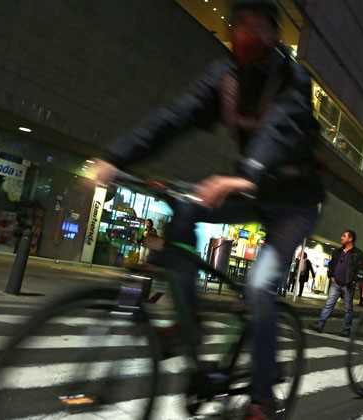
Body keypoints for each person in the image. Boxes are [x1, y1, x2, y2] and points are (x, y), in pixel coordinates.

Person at [92, 1, 323, 417]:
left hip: (295, 204)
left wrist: (247, 173)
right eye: (239, 25)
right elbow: (174, 117)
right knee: (184, 212)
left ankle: (262, 399)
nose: (246, 34)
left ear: (274, 34)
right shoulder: (224, 76)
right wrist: (116, 157)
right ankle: (189, 323)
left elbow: (282, 127)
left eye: (257, 26)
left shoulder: (293, 78)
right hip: (252, 192)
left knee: (259, 289)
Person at [311, 230, 363, 336]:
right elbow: (331, 264)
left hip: (348, 285)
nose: (341, 238)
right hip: (335, 284)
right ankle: (320, 325)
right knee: (328, 305)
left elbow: (361, 270)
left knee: (348, 309)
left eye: (344, 236)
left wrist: (354, 281)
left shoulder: (358, 254)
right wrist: (331, 275)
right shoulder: (337, 251)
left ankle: (346, 330)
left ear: (350, 239)